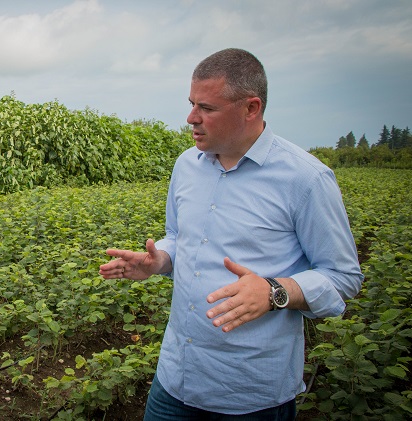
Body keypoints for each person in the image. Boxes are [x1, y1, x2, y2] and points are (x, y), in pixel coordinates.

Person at [99, 48, 363, 420]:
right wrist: (160, 259)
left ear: (250, 108)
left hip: (250, 394)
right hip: (176, 378)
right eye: (191, 103)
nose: (191, 118)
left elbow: (343, 276)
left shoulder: (305, 179)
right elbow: (178, 236)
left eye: (207, 108)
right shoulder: (186, 166)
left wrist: (275, 291)